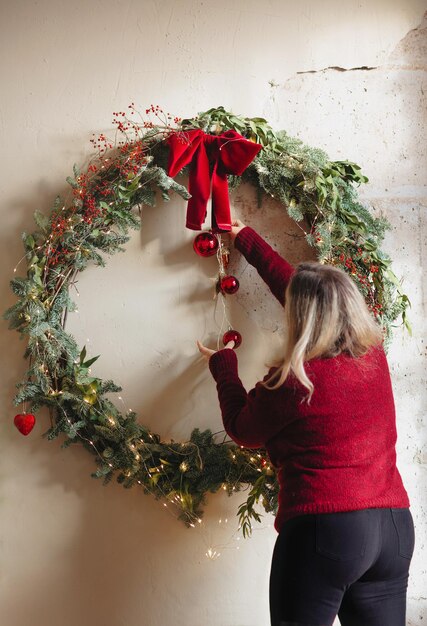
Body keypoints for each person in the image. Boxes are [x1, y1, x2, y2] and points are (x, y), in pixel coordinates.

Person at [197, 220, 414, 626]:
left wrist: (223, 367)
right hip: (393, 528)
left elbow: (244, 428)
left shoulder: (297, 379)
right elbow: (308, 298)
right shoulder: (374, 359)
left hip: (327, 529)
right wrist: (248, 241)